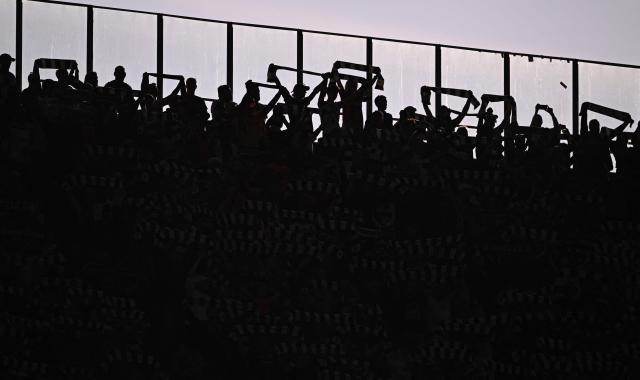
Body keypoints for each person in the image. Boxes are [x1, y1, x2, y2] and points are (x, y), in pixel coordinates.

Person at [236, 80, 282, 148]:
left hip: (259, 142)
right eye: (256, 92)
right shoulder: (245, 109)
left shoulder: (259, 106)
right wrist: (279, 93)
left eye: (258, 91)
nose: (258, 93)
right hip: (250, 143)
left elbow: (270, 107)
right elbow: (269, 107)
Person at [0, 53, 19, 121]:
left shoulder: (11, 76)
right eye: (7, 61)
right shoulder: (11, 77)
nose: (9, 63)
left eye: (9, 62)